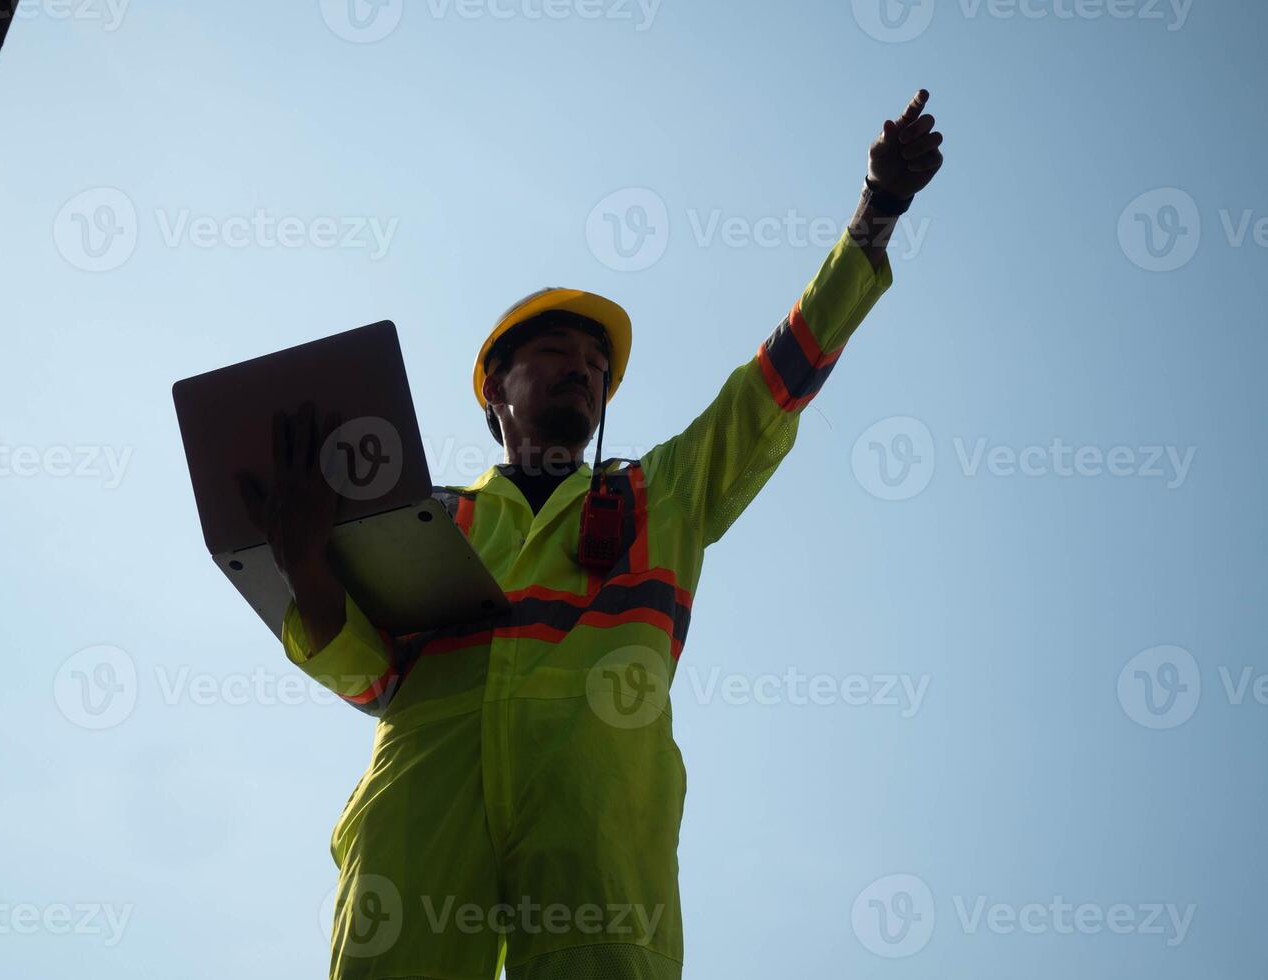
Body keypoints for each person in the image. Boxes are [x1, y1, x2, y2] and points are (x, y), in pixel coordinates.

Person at [241, 90, 944, 980]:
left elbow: (780, 377)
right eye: (555, 354)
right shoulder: (430, 519)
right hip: (421, 803)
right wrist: (304, 560)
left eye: (596, 365)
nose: (583, 368)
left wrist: (873, 214)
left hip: (599, 818)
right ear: (493, 390)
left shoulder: (666, 495)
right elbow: (374, 679)